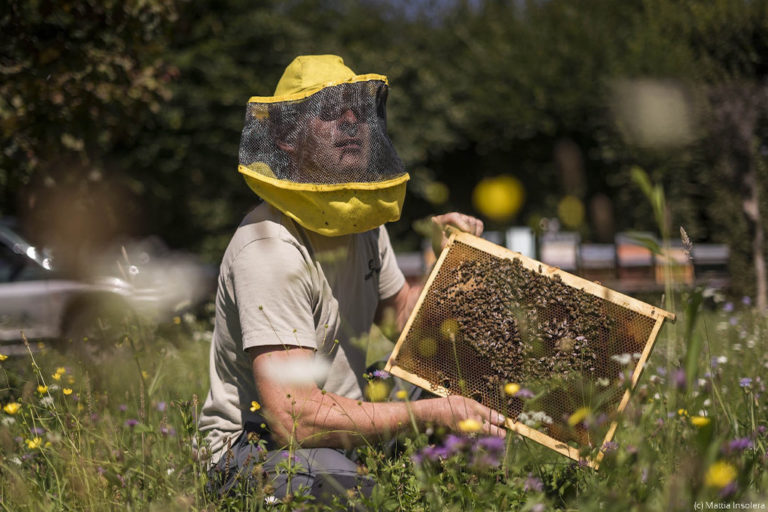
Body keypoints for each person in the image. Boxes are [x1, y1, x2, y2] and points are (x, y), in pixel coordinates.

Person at [198, 55, 505, 505]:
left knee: (465, 379)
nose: (351, 122)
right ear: (285, 136)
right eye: (330, 110)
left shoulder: (361, 222)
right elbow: (293, 420)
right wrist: (433, 413)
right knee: (341, 484)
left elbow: (402, 321)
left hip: (343, 424)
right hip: (256, 444)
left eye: (358, 110)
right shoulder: (269, 248)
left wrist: (447, 263)